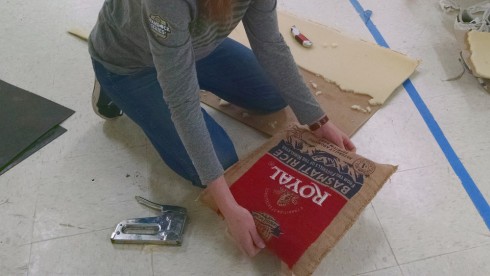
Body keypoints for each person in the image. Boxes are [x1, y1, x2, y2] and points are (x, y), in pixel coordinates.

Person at [88, 0, 356, 257]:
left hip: (193, 47)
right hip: (131, 64)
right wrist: (229, 208)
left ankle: (183, 61)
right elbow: (183, 101)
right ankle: (114, 90)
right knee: (222, 162)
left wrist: (318, 120)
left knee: (274, 95)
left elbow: (270, 43)